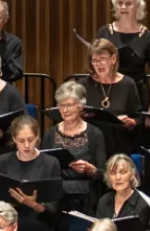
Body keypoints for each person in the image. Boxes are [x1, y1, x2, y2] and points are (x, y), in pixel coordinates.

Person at [0, 116, 60, 231]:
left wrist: (33, 204)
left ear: (38, 137)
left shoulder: (50, 163)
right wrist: (9, 204)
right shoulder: (3, 161)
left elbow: (54, 209)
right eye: (21, 141)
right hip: (8, 230)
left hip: (38, 229)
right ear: (14, 139)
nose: (27, 145)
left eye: (31, 139)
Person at [97, 0, 150, 122]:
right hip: (109, 96)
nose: (123, 7)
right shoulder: (104, 33)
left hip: (138, 99)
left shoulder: (147, 37)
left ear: (138, 5)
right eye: (119, 3)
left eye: (128, 3)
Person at [75, 38, 145, 160]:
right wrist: (79, 114)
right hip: (90, 147)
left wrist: (132, 122)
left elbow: (138, 117)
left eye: (103, 59)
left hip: (119, 146)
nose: (99, 64)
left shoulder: (128, 84)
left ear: (113, 59)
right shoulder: (83, 85)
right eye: (95, 60)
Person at [43, 81, 105, 219]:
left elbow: (103, 173)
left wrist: (90, 169)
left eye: (70, 105)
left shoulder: (95, 134)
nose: (65, 110)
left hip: (87, 196)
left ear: (81, 106)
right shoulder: (50, 134)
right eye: (61, 105)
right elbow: (43, 168)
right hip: (57, 195)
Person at [94, 155, 150, 231]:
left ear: (132, 174)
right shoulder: (104, 200)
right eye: (113, 173)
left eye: (123, 172)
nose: (118, 177)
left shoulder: (142, 202)